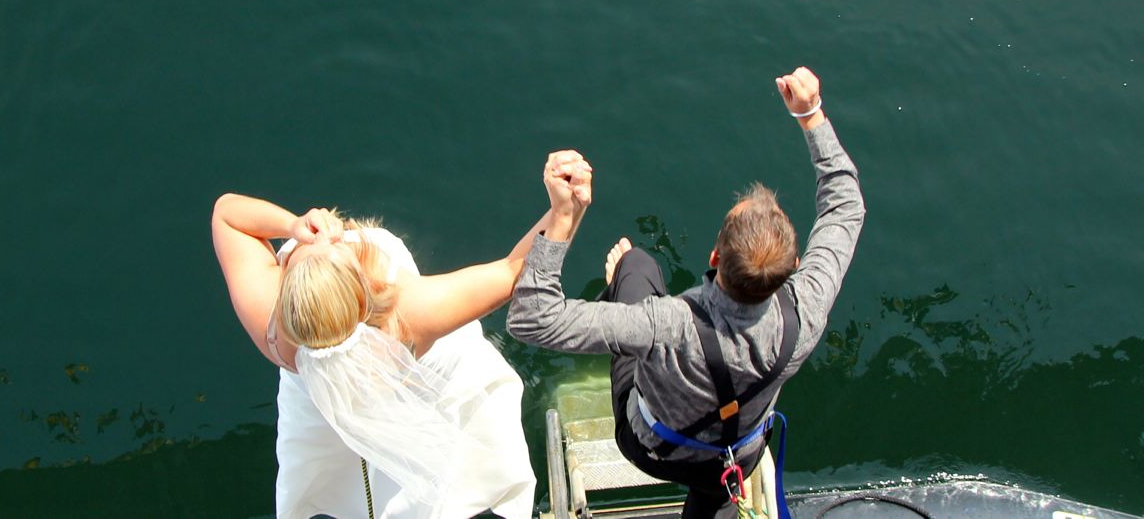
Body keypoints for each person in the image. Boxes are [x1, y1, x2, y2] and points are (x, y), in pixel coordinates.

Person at [507, 67, 865, 518]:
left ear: (714, 256)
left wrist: (563, 217)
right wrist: (811, 115)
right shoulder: (805, 311)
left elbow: (531, 318)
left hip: (652, 449)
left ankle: (620, 281)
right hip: (734, 457)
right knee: (716, 495)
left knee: (637, 265)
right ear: (794, 270)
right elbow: (845, 206)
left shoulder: (666, 322)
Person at [211, 151, 591, 519]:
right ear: (365, 291)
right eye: (335, 249)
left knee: (344, 482)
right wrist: (565, 211)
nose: (324, 236)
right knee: (444, 473)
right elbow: (515, 271)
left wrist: (293, 227)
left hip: (323, 410)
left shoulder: (274, 332)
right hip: (413, 382)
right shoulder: (407, 316)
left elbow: (227, 215)